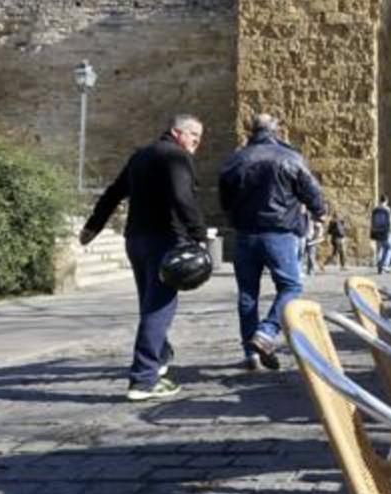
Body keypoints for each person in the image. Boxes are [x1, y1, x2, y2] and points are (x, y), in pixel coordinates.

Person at [79, 113, 206, 401]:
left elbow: (114, 193)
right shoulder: (176, 156)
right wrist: (200, 235)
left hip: (136, 240)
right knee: (159, 308)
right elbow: (182, 197)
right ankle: (144, 379)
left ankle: (160, 355)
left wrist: (93, 227)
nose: (197, 143)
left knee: (149, 304)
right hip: (165, 240)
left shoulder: (141, 156)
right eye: (194, 136)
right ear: (177, 133)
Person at [218, 114, 326, 371]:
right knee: (291, 286)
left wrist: (236, 216)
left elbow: (224, 199)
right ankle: (266, 333)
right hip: (279, 232)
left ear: (250, 130)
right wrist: (319, 212)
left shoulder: (236, 159)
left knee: (247, 295)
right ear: (277, 131)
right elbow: (311, 191)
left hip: (245, 233)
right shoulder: (290, 157)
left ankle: (251, 354)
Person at [370, 195, 391, 275]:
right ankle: (385, 265)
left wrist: (373, 230)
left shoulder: (375, 210)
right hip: (385, 231)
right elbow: (390, 221)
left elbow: (372, 221)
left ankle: (379, 264)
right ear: (386, 201)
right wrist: (390, 230)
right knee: (389, 248)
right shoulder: (387, 209)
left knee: (380, 249)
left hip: (377, 232)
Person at [303, 211, 324, 276]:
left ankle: (311, 270)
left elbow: (320, 229)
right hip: (304, 237)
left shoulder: (315, 220)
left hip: (311, 239)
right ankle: (303, 270)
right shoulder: (304, 217)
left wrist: (317, 238)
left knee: (311, 255)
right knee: (302, 255)